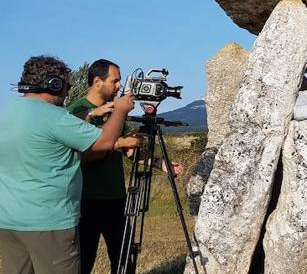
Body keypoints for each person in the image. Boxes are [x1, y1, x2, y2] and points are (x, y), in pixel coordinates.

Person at [0, 55, 137, 274]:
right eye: (66, 84)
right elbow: (104, 142)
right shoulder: (54, 116)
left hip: (9, 222)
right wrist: (120, 110)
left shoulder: (8, 112)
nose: (67, 90)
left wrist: (90, 113)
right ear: (54, 84)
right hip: (48, 224)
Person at [67, 59, 182, 274]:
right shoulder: (78, 110)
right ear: (97, 81)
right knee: (83, 262)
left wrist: (159, 163)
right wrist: (120, 142)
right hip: (86, 200)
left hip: (117, 199)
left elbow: (129, 152)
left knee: (124, 261)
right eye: (115, 80)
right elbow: (82, 156)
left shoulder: (115, 110)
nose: (119, 86)